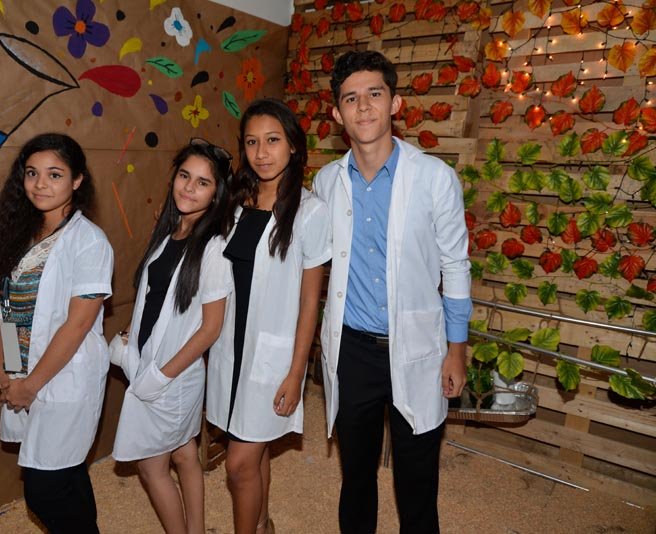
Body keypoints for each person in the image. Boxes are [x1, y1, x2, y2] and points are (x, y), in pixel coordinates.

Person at [313, 50, 472, 534]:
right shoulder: (326, 183)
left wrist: (456, 349)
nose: (363, 107)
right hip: (352, 350)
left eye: (374, 94)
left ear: (395, 104)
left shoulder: (435, 178)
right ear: (337, 114)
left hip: (418, 348)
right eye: (351, 99)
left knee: (416, 481)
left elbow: (455, 265)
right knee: (356, 476)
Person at [0, 133, 113, 533]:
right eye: (32, 173)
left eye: (54, 174)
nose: (40, 184)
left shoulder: (90, 242)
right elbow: (7, 308)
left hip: (65, 376)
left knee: (43, 490)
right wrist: (8, 370)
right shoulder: (17, 235)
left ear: (77, 180)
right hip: (25, 374)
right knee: (67, 473)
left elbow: (79, 324)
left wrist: (31, 385)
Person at [206, 98, 332, 534]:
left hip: (273, 356)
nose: (261, 153)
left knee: (238, 464)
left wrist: (297, 372)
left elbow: (310, 301)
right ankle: (261, 525)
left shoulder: (311, 212)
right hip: (230, 345)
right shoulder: (234, 202)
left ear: (293, 145)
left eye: (273, 140)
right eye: (252, 142)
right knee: (253, 448)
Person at [112, 139, 234, 534]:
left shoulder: (214, 247)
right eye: (185, 176)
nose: (189, 188)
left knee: (151, 468)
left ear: (216, 194)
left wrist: (162, 375)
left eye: (202, 183)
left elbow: (211, 327)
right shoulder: (171, 231)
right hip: (154, 362)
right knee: (183, 454)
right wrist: (132, 333)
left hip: (174, 376)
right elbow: (155, 297)